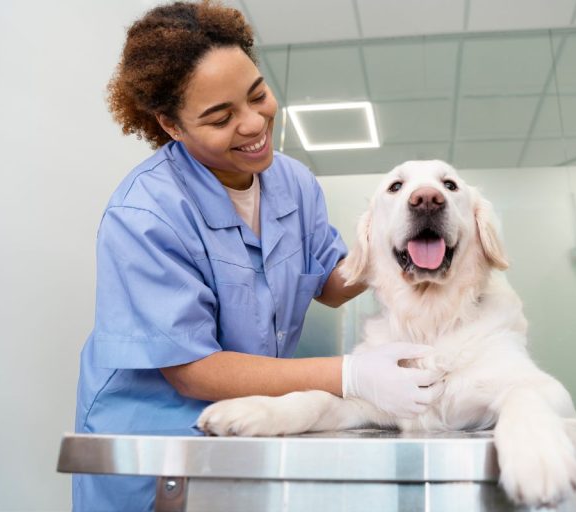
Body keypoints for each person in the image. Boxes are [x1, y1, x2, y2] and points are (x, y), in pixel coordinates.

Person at [74, 2, 442, 510]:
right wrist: (349, 375)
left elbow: (333, 286)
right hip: (154, 441)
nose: (253, 124)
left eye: (258, 95)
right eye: (221, 117)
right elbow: (192, 369)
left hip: (248, 427)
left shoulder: (294, 182)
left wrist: (398, 241)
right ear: (172, 125)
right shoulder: (146, 214)